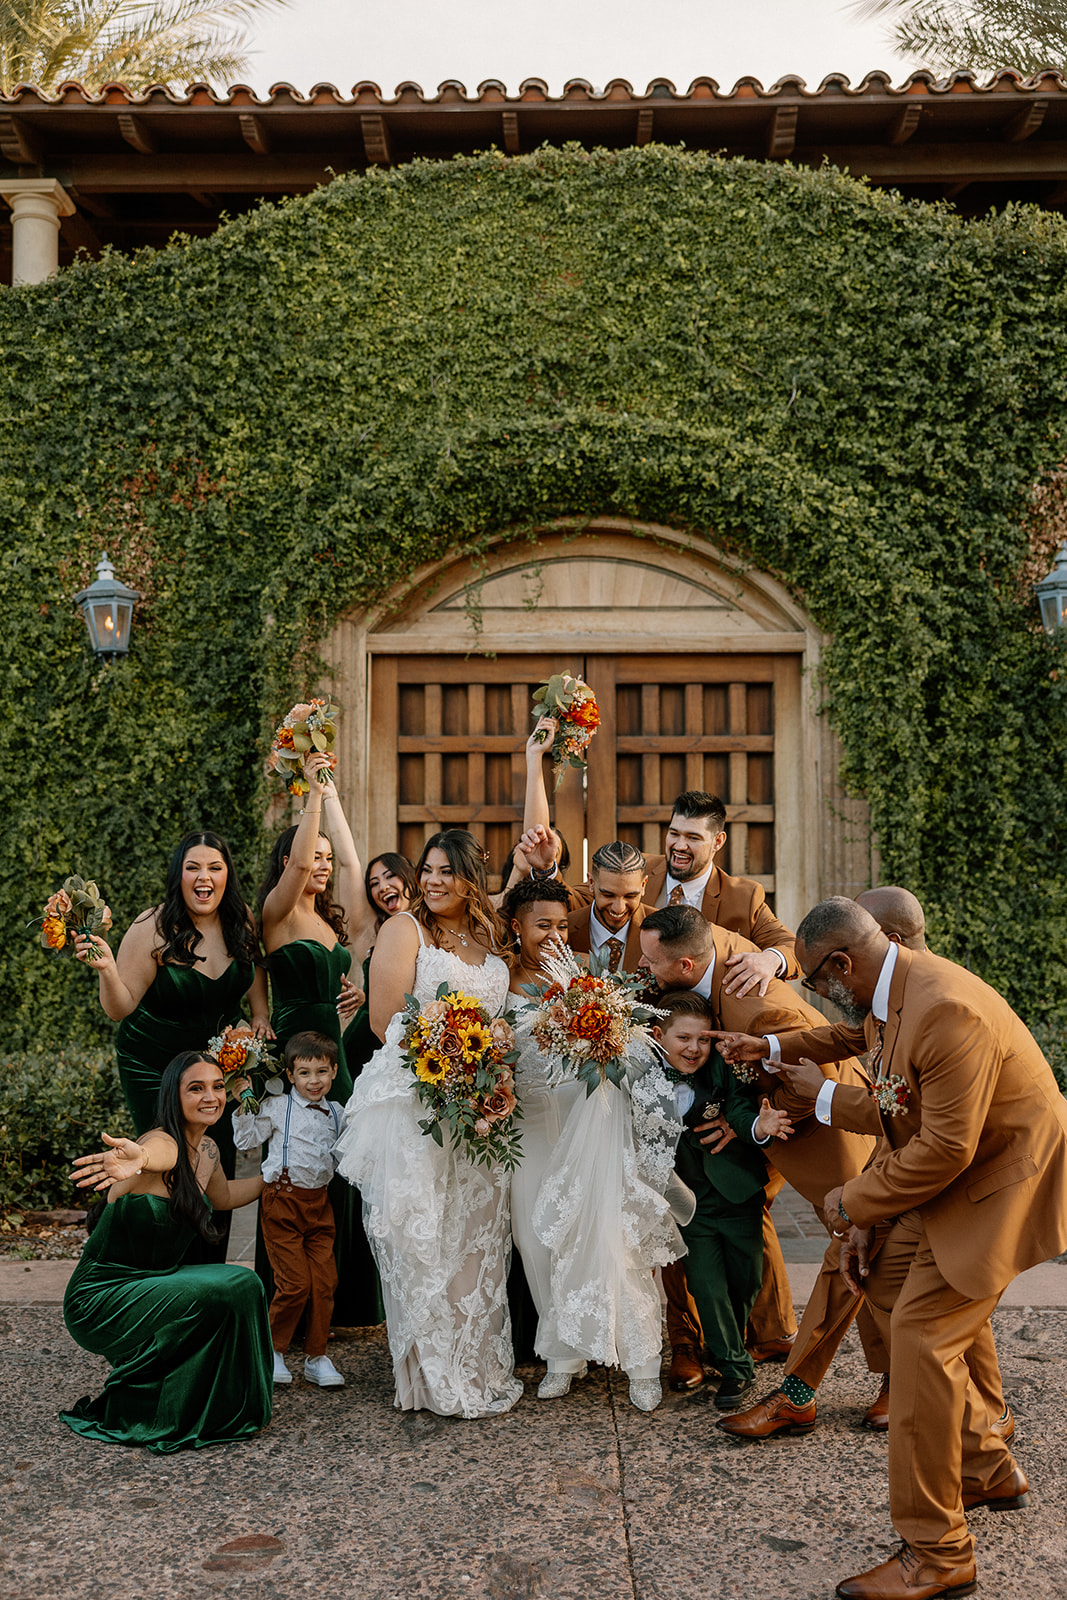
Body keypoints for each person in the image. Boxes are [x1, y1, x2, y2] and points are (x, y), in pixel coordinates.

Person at [717, 897, 1067, 1600]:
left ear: (841, 962)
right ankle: (983, 1467)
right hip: (948, 1175)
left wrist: (848, 1201)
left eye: (814, 980)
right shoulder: (892, 989)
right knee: (875, 1274)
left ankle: (936, 1553)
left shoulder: (944, 1009)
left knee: (918, 1340)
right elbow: (859, 1045)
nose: (814, 994)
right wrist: (779, 1050)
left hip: (995, 1187)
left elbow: (941, 1147)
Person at [639, 904, 887, 1409]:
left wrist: (746, 1120)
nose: (644, 968)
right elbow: (733, 933)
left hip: (826, 1131)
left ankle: (895, 1379)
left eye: (651, 962)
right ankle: (756, 1340)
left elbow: (810, 1074)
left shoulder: (759, 1010)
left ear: (686, 966)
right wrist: (771, 957)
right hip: (764, 1131)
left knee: (864, 1244)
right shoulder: (716, 952)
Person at [333, 829, 523, 1418]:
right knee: (421, 1235)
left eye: (448, 872)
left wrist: (488, 1065)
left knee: (475, 1235)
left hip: (478, 1107)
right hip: (416, 1100)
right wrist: (450, 1057)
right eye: (429, 870)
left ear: (472, 880)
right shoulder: (404, 929)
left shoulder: (492, 937)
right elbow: (385, 1018)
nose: (435, 881)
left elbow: (502, 1018)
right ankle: (428, 1374)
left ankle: (475, 1364)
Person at [61, 1051, 271, 1453]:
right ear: (172, 1096)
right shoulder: (157, 1144)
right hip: (100, 1297)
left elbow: (224, 1197)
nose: (210, 1096)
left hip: (152, 1286)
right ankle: (156, 1408)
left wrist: (276, 1174)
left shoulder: (208, 1150)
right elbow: (160, 1154)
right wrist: (139, 1157)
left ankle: (206, 1406)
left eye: (216, 1086)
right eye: (195, 1088)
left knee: (245, 1286)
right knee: (237, 1281)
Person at [74, 829, 269, 1262]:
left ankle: (206, 1274)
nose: (204, 877)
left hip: (214, 1068)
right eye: (193, 867)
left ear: (226, 875)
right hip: (153, 1062)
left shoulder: (241, 921)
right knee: (168, 1161)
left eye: (214, 867)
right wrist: (107, 970)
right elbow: (120, 1007)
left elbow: (254, 967)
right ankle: (152, 1271)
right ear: (179, 876)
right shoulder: (154, 926)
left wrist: (259, 1012)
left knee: (213, 1160)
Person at [258, 751, 381, 1327]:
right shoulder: (277, 913)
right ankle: (290, 1297)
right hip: (296, 1048)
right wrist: (310, 790)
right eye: (313, 858)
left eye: (325, 858)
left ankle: (345, 1299)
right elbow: (302, 859)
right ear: (289, 862)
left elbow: (356, 871)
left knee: (346, 1165)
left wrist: (332, 797)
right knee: (296, 1163)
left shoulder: (331, 921)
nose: (323, 864)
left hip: (337, 1054)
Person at [652, 990, 794, 1412]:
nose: (693, 1049)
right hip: (690, 1204)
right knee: (706, 1286)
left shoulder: (723, 1071)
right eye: (683, 1039)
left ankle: (723, 1343)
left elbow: (736, 1108)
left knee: (746, 1280)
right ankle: (736, 1369)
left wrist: (759, 1126)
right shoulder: (643, 1077)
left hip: (737, 1197)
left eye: (703, 1040)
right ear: (660, 1036)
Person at [502, 876, 587, 1396]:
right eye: (542, 925)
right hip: (525, 1121)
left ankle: (581, 1345)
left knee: (579, 1230)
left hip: (578, 1116)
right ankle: (559, 1350)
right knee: (533, 1237)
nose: (555, 935)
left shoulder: (578, 976)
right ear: (517, 927)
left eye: (562, 925)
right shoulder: (497, 978)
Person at [233, 1030, 346, 1389]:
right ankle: (273, 1351)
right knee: (295, 1283)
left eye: (322, 1072)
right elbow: (245, 1140)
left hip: (320, 1205)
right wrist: (244, 1101)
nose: (314, 1081)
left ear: (334, 1071)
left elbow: (346, 1155)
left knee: (325, 1282)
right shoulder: (278, 1108)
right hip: (282, 1203)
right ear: (289, 1075)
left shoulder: (337, 1113)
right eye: (304, 1073)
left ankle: (317, 1356)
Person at [343, 852, 419, 1076]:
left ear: (411, 878)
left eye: (389, 876)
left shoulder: (436, 928)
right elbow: (348, 863)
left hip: (420, 1048)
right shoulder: (371, 933)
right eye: (374, 884)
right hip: (364, 1047)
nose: (383, 887)